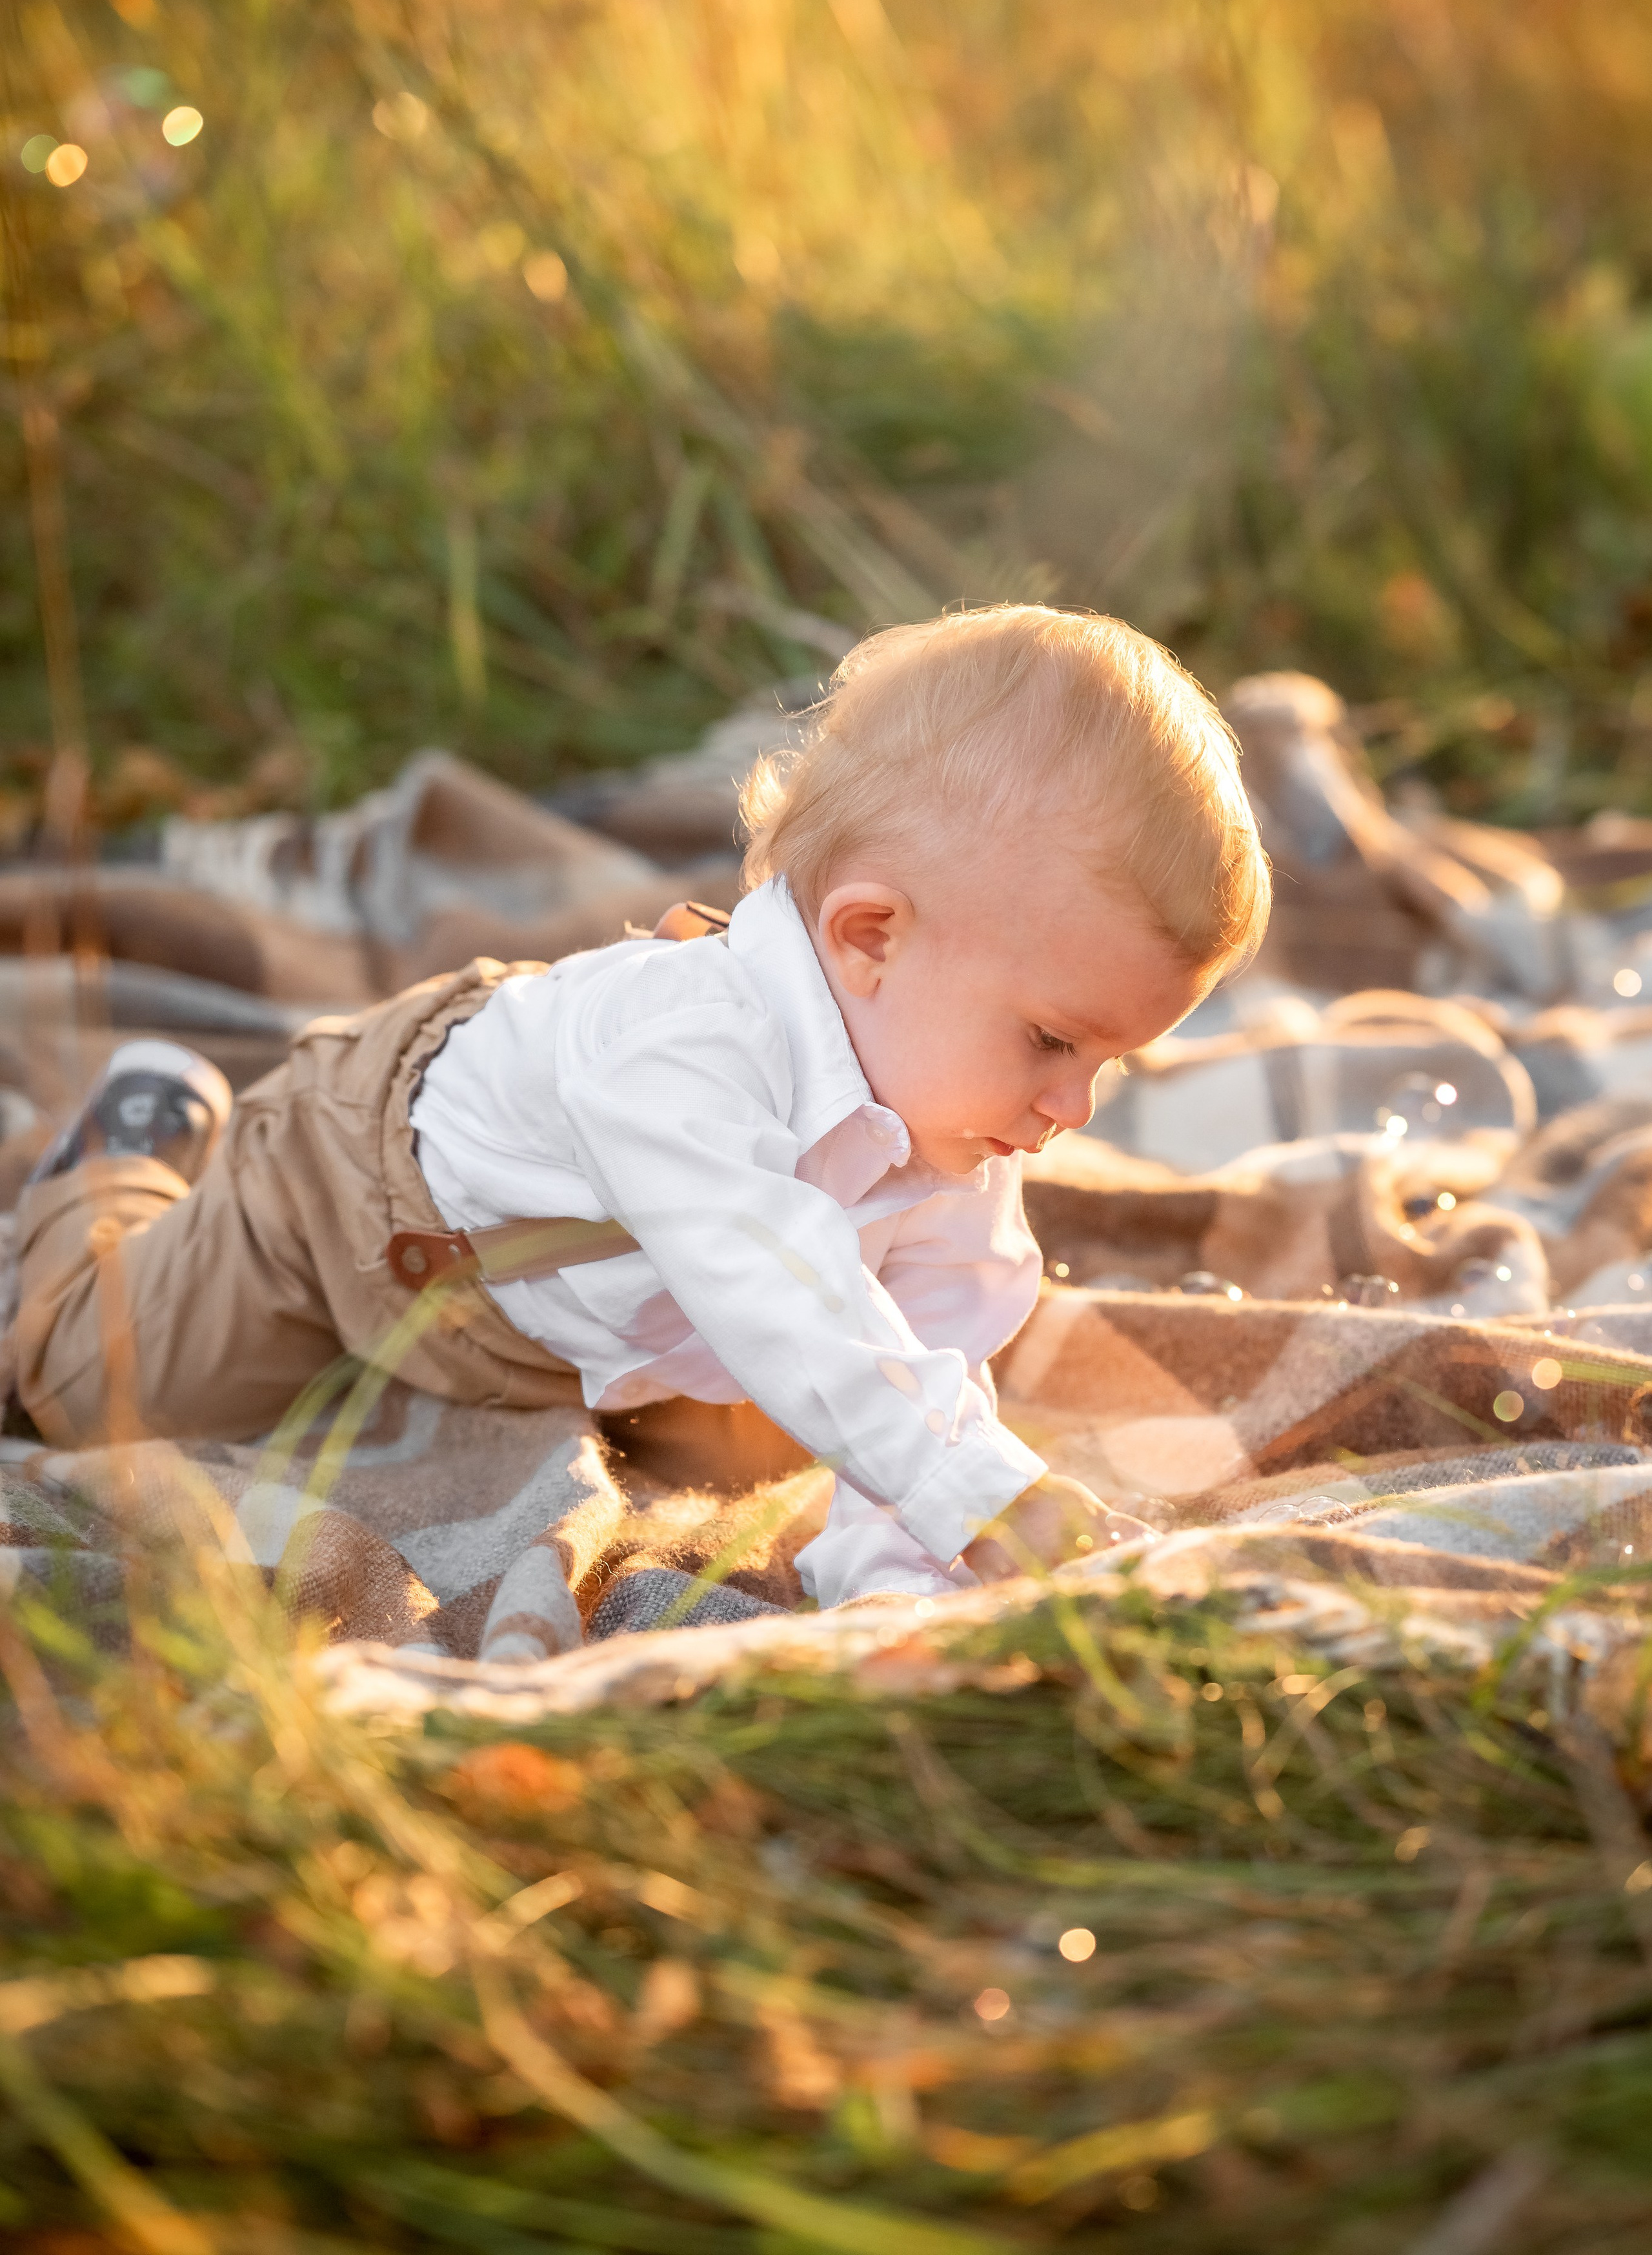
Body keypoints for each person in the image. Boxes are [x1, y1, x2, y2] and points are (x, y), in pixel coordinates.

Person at [8, 605, 1271, 1608]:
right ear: (870, 936)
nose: (1073, 1106)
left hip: (546, 1309)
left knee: (777, 1436)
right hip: (346, 1199)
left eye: (1107, 1059)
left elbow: (928, 1363)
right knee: (104, 1386)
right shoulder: (682, 1052)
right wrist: (987, 1498)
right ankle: (126, 1152)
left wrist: (904, 1583)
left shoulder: (955, 1127)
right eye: (1052, 1039)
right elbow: (780, 1290)